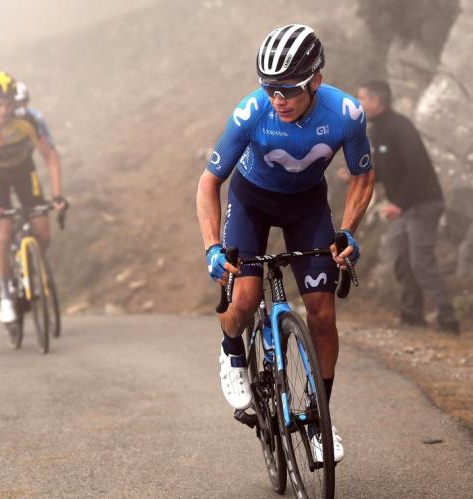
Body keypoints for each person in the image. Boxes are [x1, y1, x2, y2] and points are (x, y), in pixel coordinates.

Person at [196, 24, 375, 463]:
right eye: (270, 88)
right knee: (244, 298)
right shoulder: (250, 113)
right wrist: (212, 248)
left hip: (306, 208)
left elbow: (363, 176)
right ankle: (233, 351)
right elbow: (209, 184)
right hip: (251, 203)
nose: (279, 100)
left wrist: (348, 229)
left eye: (289, 89)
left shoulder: (346, 115)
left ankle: (319, 420)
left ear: (315, 79)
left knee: (322, 311)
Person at [357, 80, 460, 334]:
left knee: (421, 262)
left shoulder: (400, 127)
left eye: (362, 99)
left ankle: (448, 321)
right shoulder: (377, 129)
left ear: (376, 101)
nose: (358, 104)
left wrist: (398, 204)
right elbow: (386, 168)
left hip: (424, 204)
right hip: (405, 206)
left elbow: (418, 167)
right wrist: (360, 175)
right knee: (402, 260)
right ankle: (412, 316)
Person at [0, 70, 67, 326]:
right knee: (3, 228)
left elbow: (50, 157)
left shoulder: (27, 121)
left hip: (24, 172)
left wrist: (57, 196)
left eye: (9, 104)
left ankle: (33, 270)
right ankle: (5, 295)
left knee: (43, 231)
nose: (4, 111)